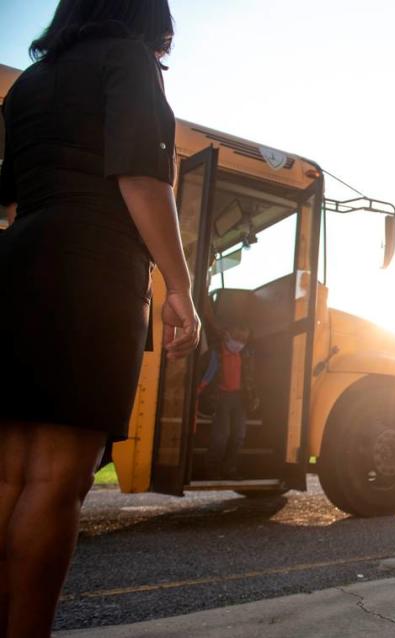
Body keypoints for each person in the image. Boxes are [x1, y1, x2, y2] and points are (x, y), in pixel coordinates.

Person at [0, 1, 199, 635]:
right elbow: (141, 176)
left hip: (17, 261)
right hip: (90, 270)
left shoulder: (32, 82)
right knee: (57, 482)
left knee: (8, 476)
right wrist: (180, 285)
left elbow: (11, 191)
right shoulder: (128, 61)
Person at [200, 324, 258, 480]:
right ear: (226, 334)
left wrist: (253, 396)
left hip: (240, 399)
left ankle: (229, 469)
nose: (240, 343)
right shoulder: (215, 353)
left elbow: (250, 378)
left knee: (239, 435)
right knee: (221, 436)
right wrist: (199, 393)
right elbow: (207, 375)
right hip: (221, 398)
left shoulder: (246, 355)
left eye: (244, 339)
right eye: (238, 338)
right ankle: (211, 469)